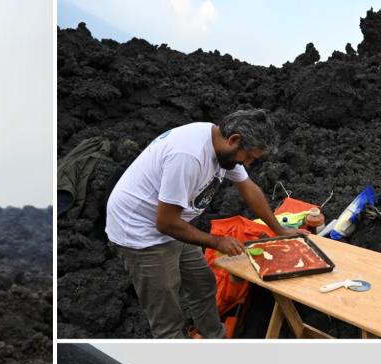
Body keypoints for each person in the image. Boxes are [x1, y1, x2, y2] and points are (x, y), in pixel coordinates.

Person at [105, 109, 297, 339]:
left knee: (203, 285)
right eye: (249, 157)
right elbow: (165, 223)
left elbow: (250, 190)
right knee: (167, 313)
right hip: (141, 234)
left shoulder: (221, 143)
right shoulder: (189, 156)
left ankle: (214, 337)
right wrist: (217, 242)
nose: (247, 163)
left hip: (175, 225)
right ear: (234, 139)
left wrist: (279, 230)